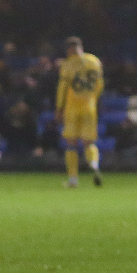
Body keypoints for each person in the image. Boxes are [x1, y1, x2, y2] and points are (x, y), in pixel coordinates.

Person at [55, 36, 103, 188]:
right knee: (89, 142)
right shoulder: (94, 61)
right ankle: (94, 165)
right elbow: (100, 85)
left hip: (72, 107)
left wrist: (59, 108)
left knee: (71, 143)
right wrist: (94, 100)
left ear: (69, 50)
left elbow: (62, 88)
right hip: (89, 105)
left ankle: (73, 179)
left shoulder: (68, 64)